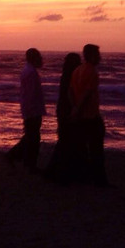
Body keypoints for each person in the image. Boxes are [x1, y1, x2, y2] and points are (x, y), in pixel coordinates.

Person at [69, 43, 108, 186]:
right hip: (90, 115)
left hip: (81, 116)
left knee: (82, 147)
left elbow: (70, 91)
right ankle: (99, 179)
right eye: (98, 55)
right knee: (96, 148)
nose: (100, 58)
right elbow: (87, 93)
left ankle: (83, 176)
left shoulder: (77, 70)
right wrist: (78, 109)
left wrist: (74, 108)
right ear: (92, 56)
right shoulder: (91, 71)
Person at [43, 52, 82, 183]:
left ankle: (54, 171)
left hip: (62, 110)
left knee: (64, 140)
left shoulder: (65, 75)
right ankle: (58, 172)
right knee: (66, 141)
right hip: (67, 111)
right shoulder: (71, 76)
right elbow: (71, 95)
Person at [6, 48, 45, 171]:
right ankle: (26, 162)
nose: (41, 59)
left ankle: (17, 157)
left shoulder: (28, 70)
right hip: (32, 110)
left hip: (30, 109)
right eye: (39, 57)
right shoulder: (31, 72)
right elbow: (31, 94)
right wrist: (31, 110)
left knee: (30, 136)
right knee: (33, 137)